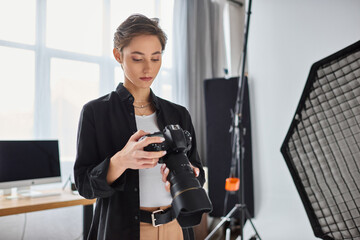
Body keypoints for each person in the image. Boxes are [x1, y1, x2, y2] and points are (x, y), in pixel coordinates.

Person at [74, 14, 205, 240]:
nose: (148, 68)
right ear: (118, 55)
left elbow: (198, 172)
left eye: (156, 58)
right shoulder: (95, 112)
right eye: (137, 58)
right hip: (124, 230)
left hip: (175, 227)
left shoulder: (178, 113)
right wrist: (120, 161)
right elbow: (85, 186)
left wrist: (192, 174)